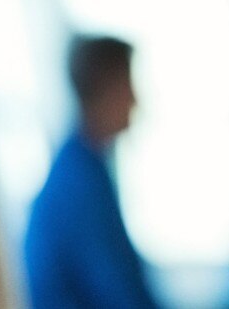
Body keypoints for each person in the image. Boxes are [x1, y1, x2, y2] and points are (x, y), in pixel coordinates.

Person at [23, 35, 161, 309]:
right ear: (105, 89)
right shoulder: (78, 184)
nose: (135, 99)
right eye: (128, 84)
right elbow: (119, 294)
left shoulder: (86, 166)